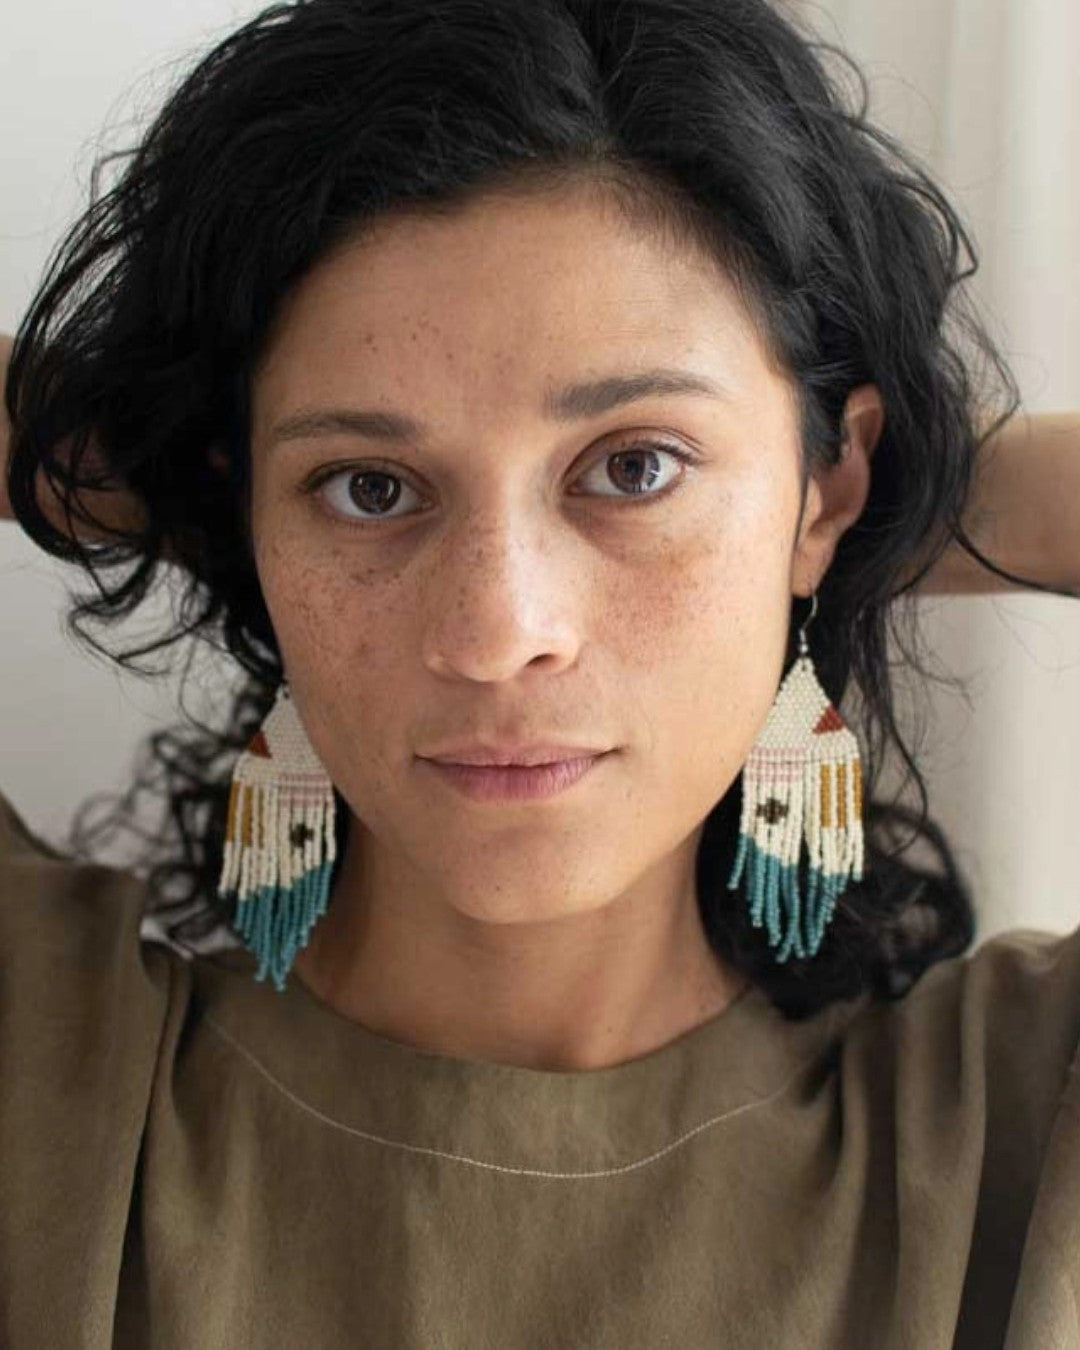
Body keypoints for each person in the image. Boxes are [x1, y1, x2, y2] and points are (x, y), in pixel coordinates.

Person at [1, 0, 1078, 1345]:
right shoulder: (43, 1070)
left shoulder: (1013, 1146)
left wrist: (894, 505)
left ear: (828, 481)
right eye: (368, 484)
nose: (497, 627)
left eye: (634, 466)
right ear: (248, 509)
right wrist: (176, 482)